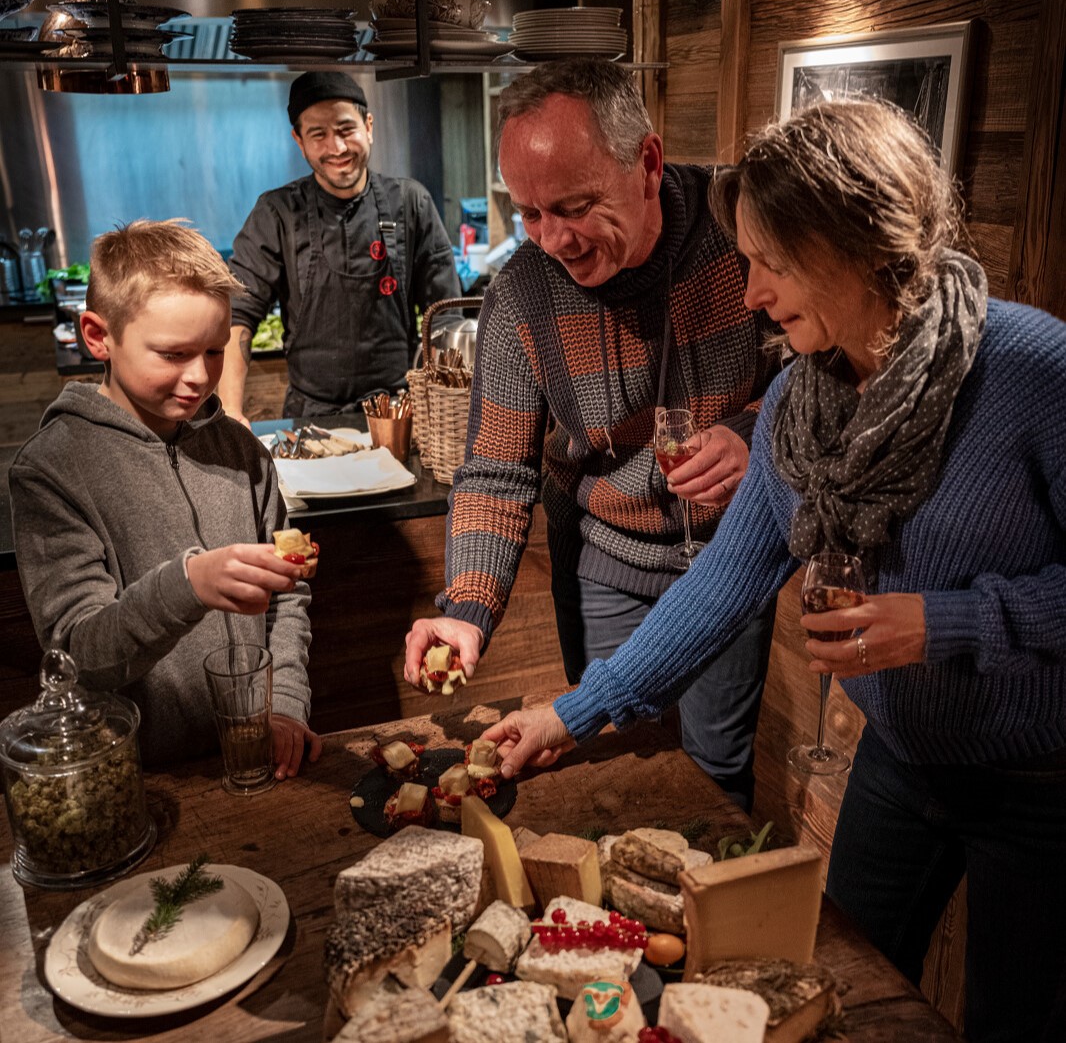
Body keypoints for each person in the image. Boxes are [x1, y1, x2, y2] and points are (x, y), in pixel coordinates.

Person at [481, 98, 1066, 1041]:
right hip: (899, 765)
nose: (750, 292)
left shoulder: (1034, 370)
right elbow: (724, 579)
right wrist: (573, 711)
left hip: (1042, 784)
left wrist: (945, 624)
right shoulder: (804, 391)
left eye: (772, 262)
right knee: (829, 994)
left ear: (860, 244)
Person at [403, 59, 780, 811]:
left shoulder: (742, 228)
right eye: (530, 213)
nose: (552, 240)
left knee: (715, 769)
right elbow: (495, 472)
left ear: (647, 162)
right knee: (610, 761)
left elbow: (819, 375)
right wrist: (467, 604)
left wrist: (751, 434)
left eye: (573, 207)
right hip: (606, 559)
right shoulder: (521, 294)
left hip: (733, 556)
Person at [9, 219, 321, 778]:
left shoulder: (243, 451)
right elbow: (79, 654)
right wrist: (189, 586)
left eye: (215, 350)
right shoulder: (51, 471)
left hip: (255, 755)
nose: (199, 377)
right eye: (172, 354)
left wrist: (285, 706)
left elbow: (288, 597)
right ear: (98, 336)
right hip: (142, 780)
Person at [221, 71, 461, 425]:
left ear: (368, 126)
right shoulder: (277, 213)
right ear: (299, 141)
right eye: (318, 134)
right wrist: (229, 412)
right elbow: (237, 314)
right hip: (311, 417)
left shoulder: (411, 203)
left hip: (401, 413)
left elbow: (445, 317)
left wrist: (446, 408)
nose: (337, 148)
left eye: (346, 129)